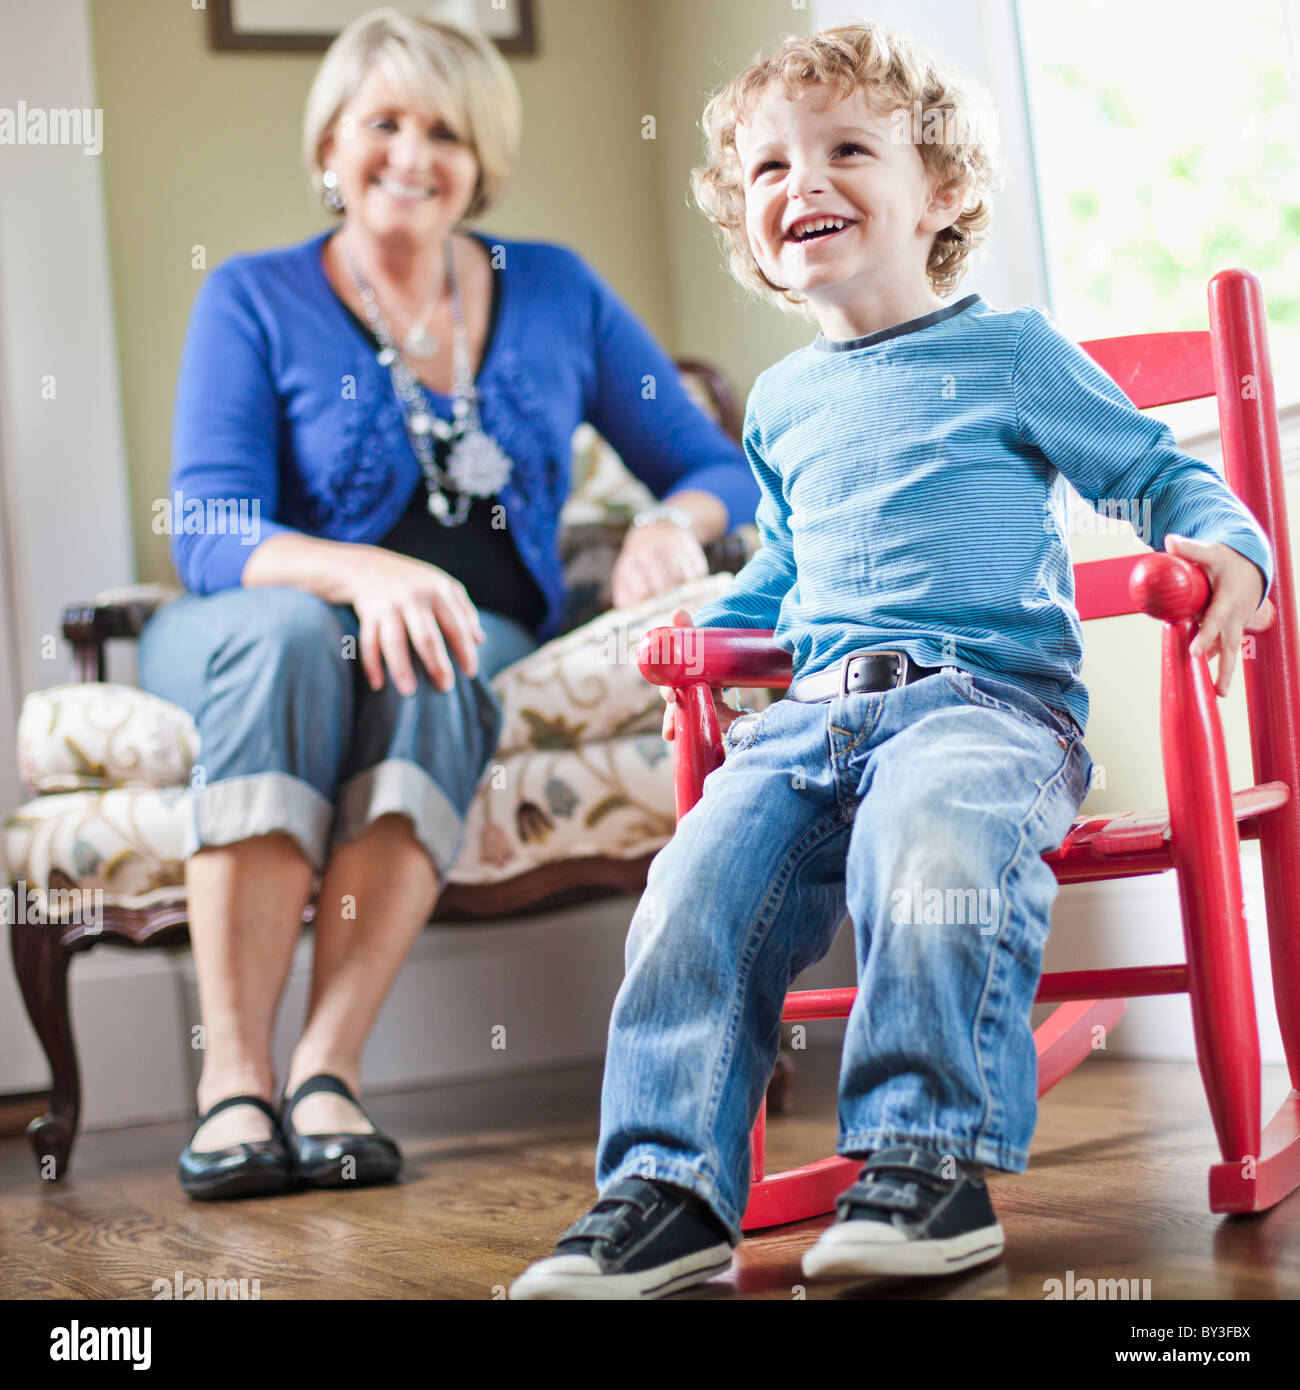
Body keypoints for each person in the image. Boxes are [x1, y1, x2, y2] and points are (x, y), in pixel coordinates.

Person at [510, 20, 1274, 1298]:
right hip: (807, 719)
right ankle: (665, 1187)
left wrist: (1224, 545)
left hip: (984, 710)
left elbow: (1154, 473)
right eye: (766, 170)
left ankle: (926, 1168)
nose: (799, 184)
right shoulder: (781, 402)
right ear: (748, 228)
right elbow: (786, 571)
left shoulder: (1010, 352)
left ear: (945, 191)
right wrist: (705, 636)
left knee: (926, 848)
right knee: (691, 882)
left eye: (845, 150)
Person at [138, 8, 757, 1201]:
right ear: (331, 143)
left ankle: (325, 1071)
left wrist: (671, 524)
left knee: (437, 650)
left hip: (469, 636)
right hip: (254, 625)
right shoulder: (253, 299)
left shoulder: (555, 292)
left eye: (446, 132)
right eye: (383, 124)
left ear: (482, 159)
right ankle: (237, 1079)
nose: (412, 156)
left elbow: (714, 465)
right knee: (297, 641)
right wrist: (363, 570)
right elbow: (210, 528)